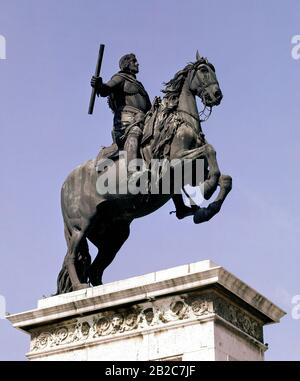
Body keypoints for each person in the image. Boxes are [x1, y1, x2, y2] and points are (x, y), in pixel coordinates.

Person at [91, 53, 196, 219]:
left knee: (165, 153)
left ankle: (180, 206)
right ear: (126, 64)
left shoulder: (138, 85)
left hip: (142, 120)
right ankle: (133, 173)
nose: (137, 63)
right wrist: (98, 85)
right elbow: (105, 90)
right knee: (135, 133)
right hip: (126, 124)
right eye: (133, 61)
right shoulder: (120, 78)